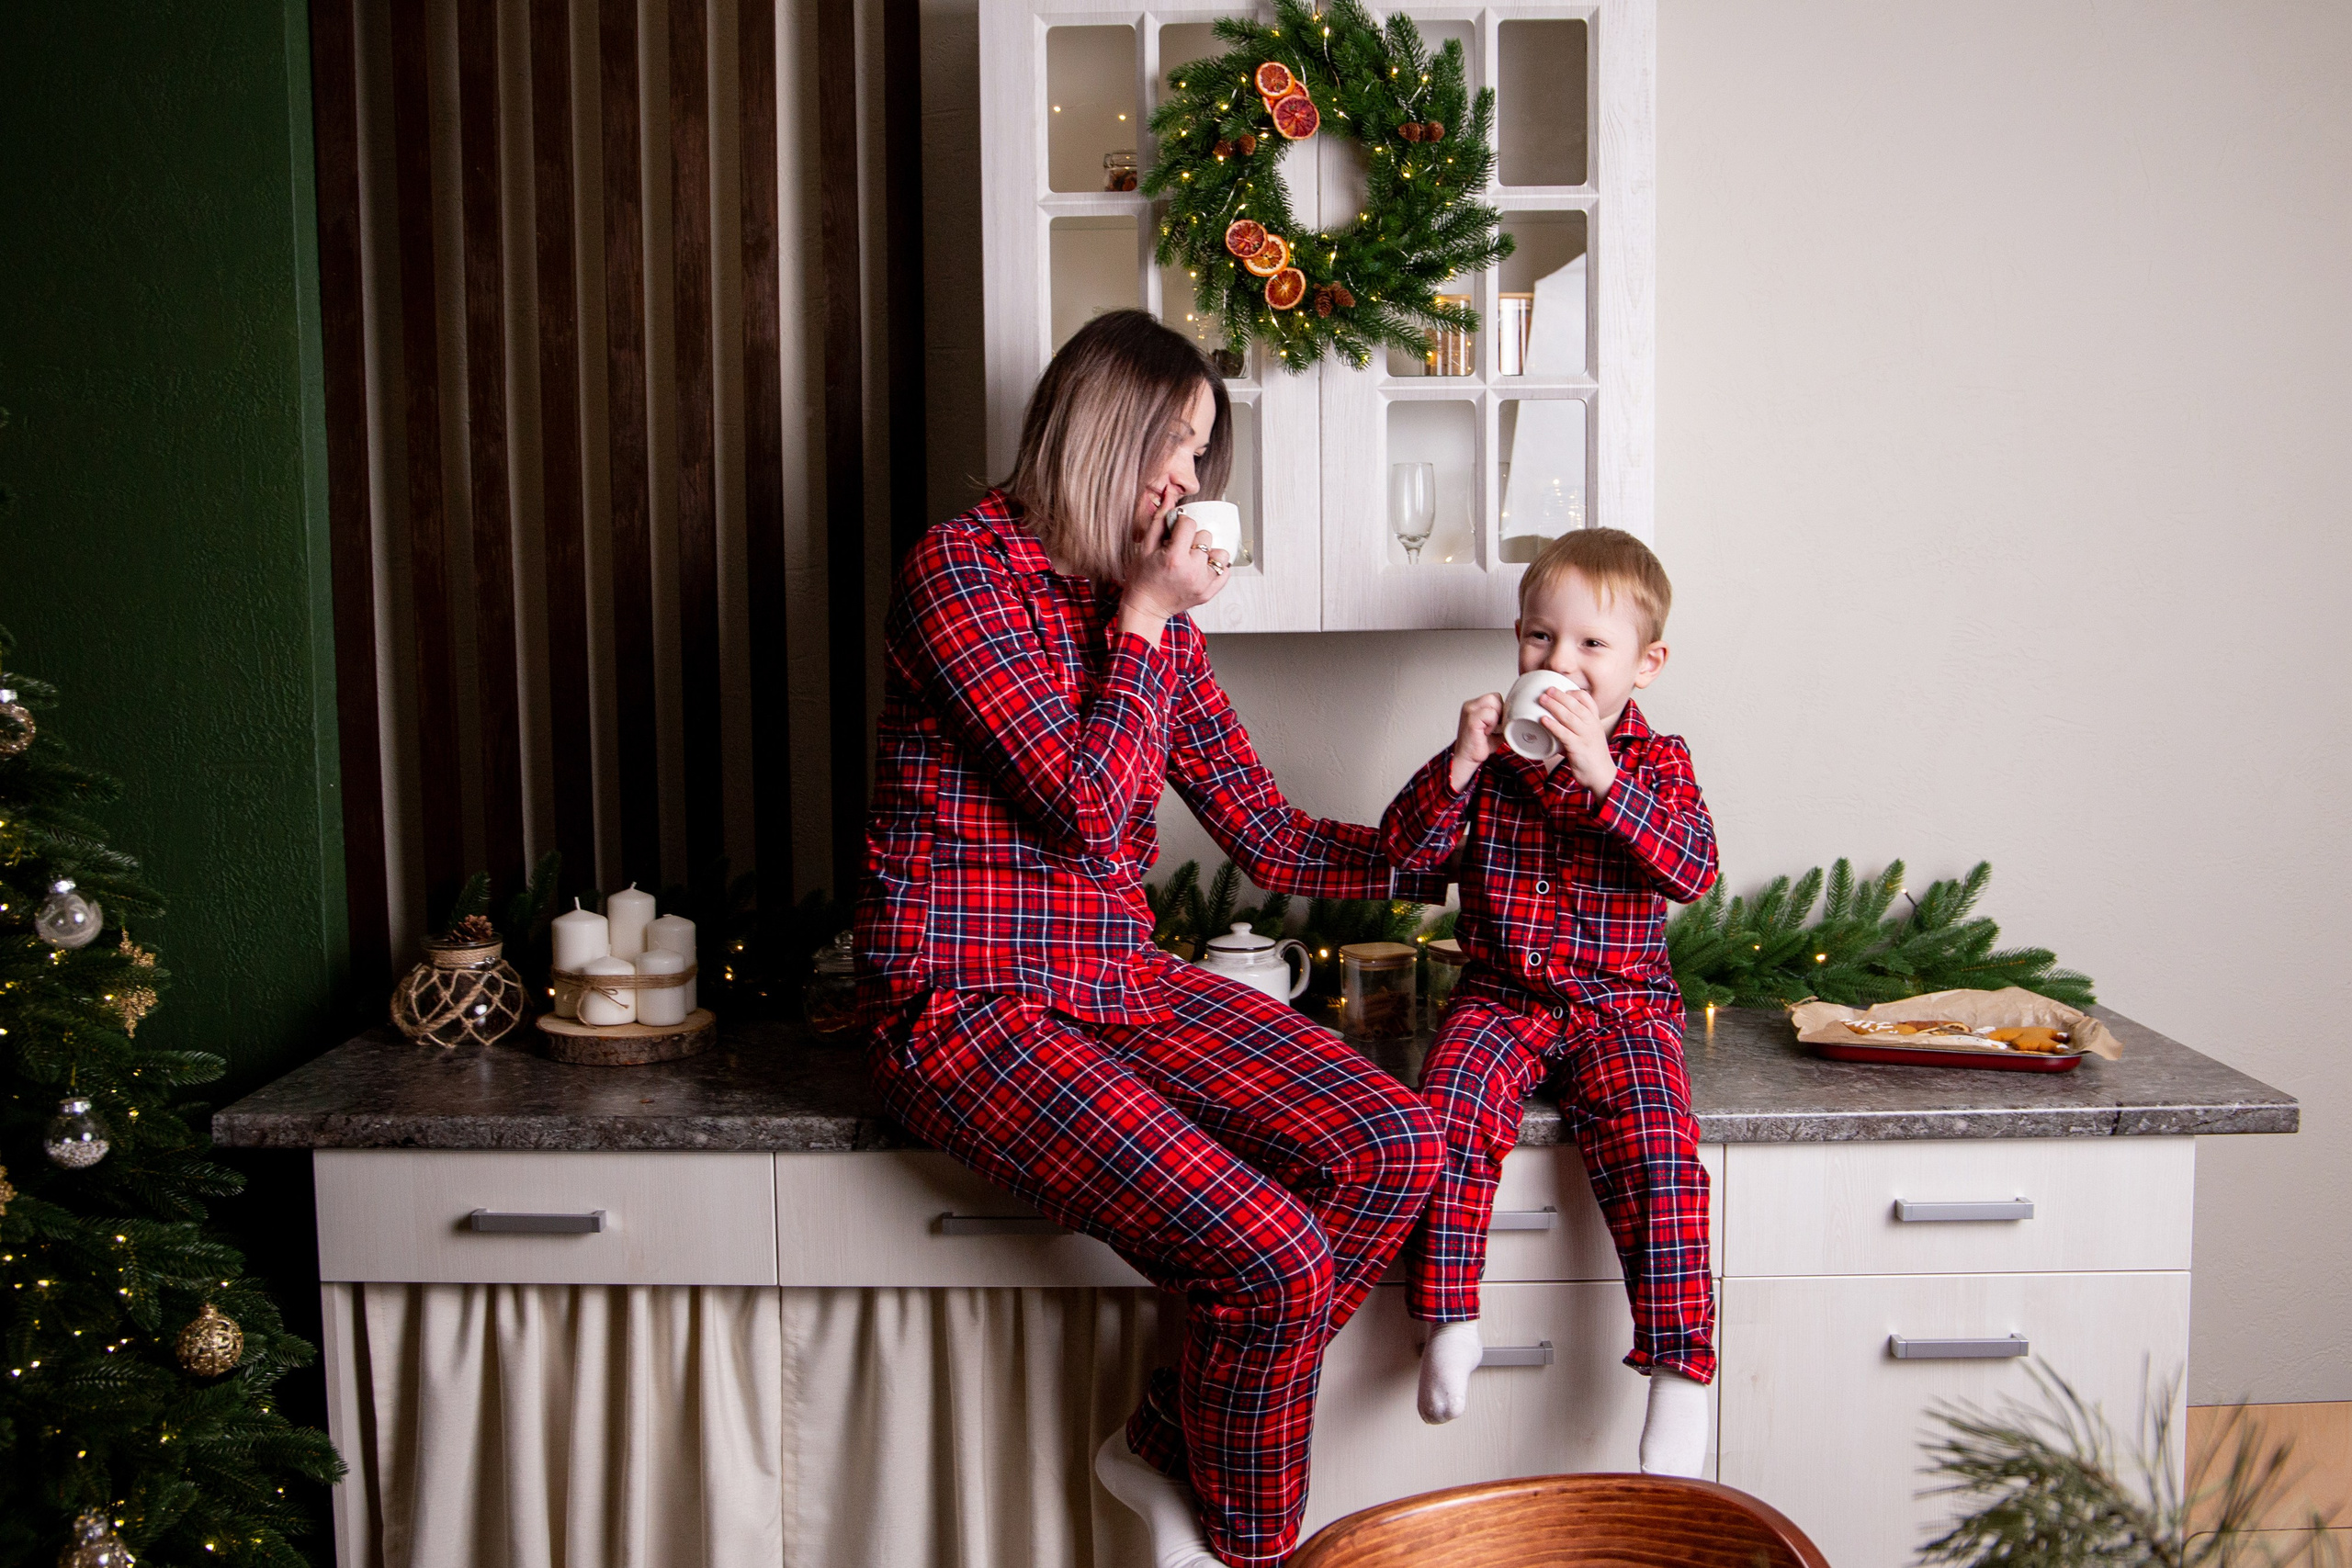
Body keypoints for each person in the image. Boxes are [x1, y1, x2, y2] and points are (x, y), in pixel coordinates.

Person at [854, 310, 1444, 1568]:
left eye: (1199, 453)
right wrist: (1142, 616)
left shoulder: (1146, 615)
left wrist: (1443, 820)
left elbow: (1269, 833)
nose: (1187, 479)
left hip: (1115, 980)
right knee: (1274, 1260)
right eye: (1173, 444)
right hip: (967, 1006)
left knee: (1395, 1142)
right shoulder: (959, 571)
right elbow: (1085, 812)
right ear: (1100, 426)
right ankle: (1248, 1550)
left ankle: (1167, 1434)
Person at [1377, 527, 1721, 1474]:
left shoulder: (1658, 761)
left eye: (1590, 644)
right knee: (1447, 1116)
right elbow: (1405, 857)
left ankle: (1681, 1373)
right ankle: (1448, 1318)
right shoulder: (1494, 761)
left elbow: (1692, 869)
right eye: (1539, 637)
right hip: (1503, 996)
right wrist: (1458, 761)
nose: (1558, 661)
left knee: (1659, 1152)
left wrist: (1602, 774)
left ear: (1645, 666)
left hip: (1624, 1007)